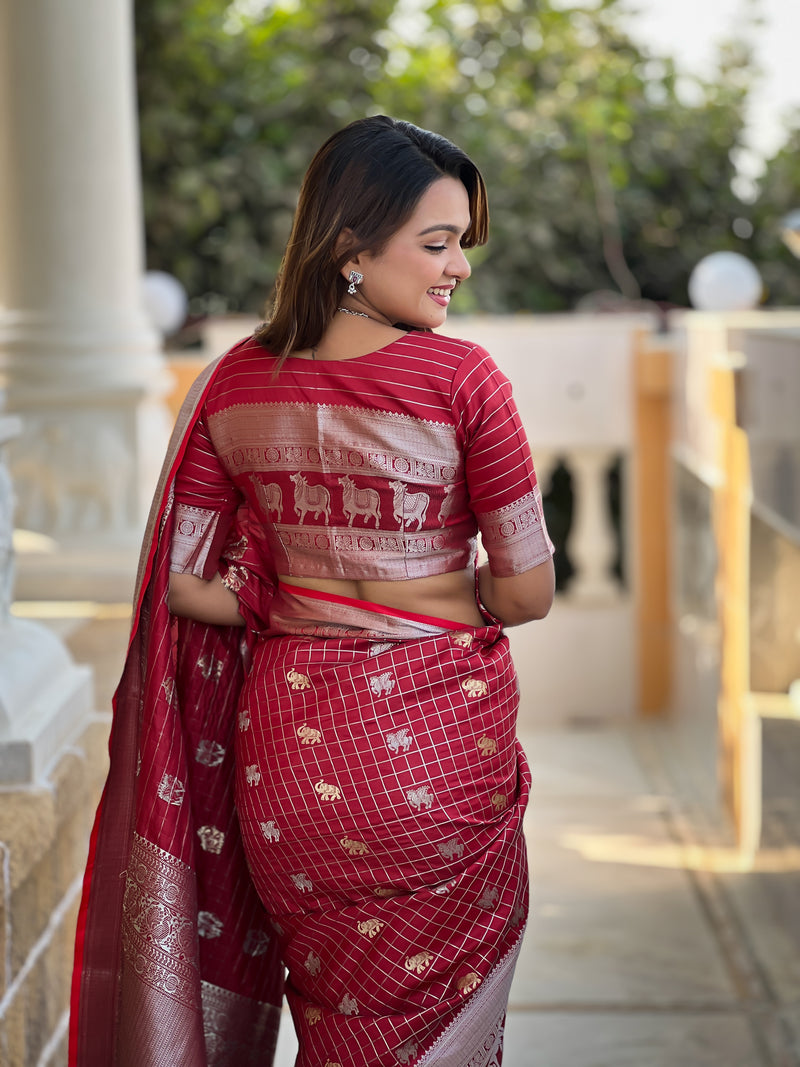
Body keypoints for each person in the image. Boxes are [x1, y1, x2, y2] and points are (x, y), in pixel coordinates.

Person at [70, 115, 555, 1067]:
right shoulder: (463, 379)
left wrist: (287, 598)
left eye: (463, 244)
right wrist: (428, 596)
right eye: (436, 243)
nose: (457, 266)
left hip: (294, 767)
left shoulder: (234, 385)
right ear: (350, 247)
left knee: (333, 1022)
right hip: (439, 763)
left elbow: (184, 583)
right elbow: (528, 590)